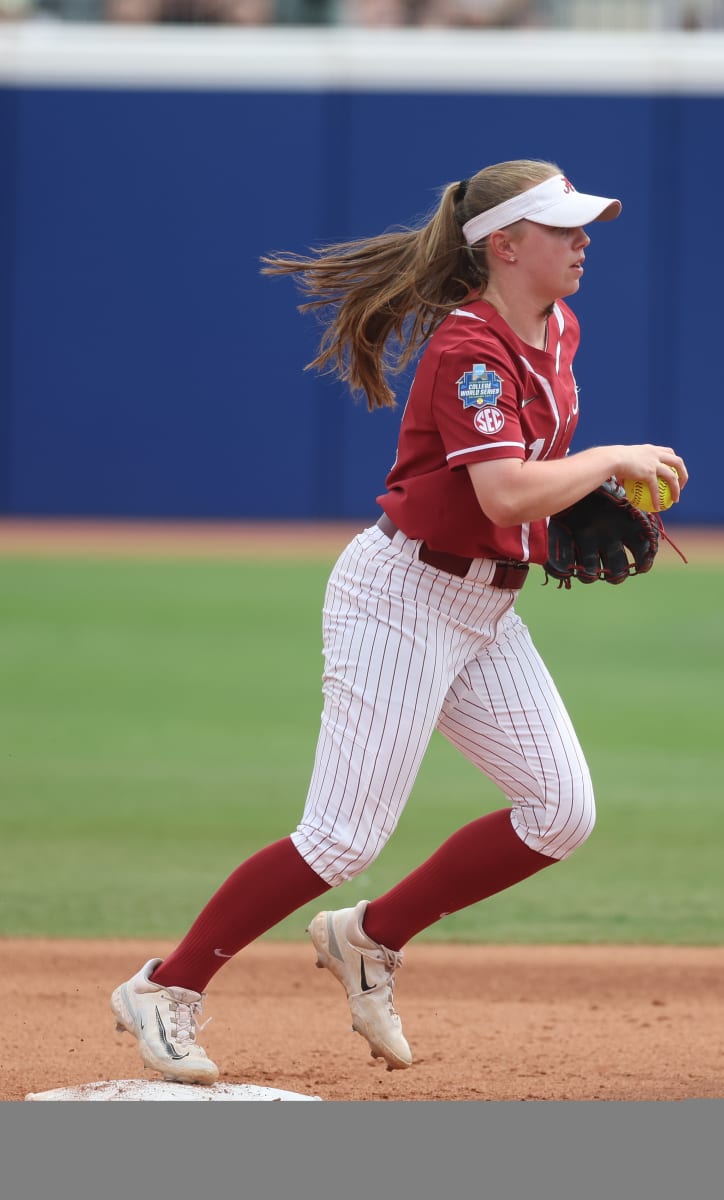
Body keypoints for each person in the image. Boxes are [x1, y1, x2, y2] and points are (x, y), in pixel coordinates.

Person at [111, 158, 687, 1085]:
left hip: (485, 606)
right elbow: (501, 490)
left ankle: (370, 938)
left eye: (586, 226)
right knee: (341, 837)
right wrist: (606, 462)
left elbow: (519, 476)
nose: (585, 241)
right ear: (505, 245)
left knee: (560, 812)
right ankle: (165, 989)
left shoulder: (557, 324)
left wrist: (568, 491)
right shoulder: (466, 348)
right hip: (402, 597)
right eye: (565, 227)